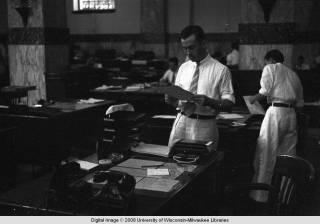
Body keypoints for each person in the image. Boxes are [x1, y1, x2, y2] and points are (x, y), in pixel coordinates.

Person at [166, 25, 235, 151]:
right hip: (181, 121)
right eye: (184, 48)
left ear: (203, 43)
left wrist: (210, 102)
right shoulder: (183, 68)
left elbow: (229, 104)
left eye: (191, 48)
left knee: (203, 165)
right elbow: (177, 101)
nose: (187, 52)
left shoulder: (221, 70)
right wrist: (171, 100)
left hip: (204, 125)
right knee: (173, 162)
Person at [249, 49, 304, 202]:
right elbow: (300, 103)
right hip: (291, 115)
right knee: (288, 154)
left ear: (270, 60)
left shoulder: (270, 68)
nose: (264, 65)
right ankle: (285, 195)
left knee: (267, 152)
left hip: (276, 112)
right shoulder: (293, 74)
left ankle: (260, 195)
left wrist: (252, 99)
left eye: (265, 62)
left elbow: (264, 91)